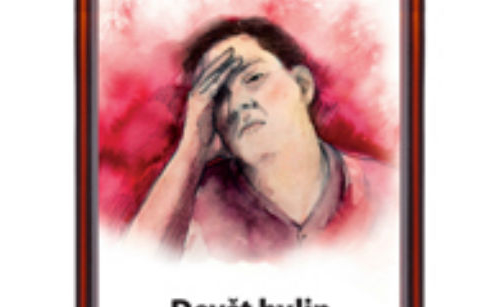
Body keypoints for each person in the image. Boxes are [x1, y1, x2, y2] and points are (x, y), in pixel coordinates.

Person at [128, 17, 392, 259]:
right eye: (218, 95)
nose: (238, 103)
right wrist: (190, 149)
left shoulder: (387, 189)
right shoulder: (192, 205)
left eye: (254, 77)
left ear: (302, 85)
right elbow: (135, 279)